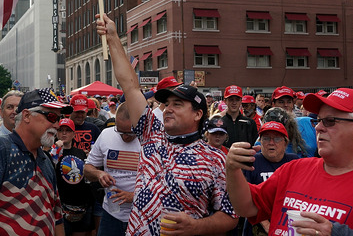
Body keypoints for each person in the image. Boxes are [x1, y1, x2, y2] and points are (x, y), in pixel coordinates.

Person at [96, 13, 238, 236]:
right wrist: (113, 37)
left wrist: (196, 227)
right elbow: (130, 86)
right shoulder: (151, 133)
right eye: (167, 103)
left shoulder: (217, 160)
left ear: (198, 114)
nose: (168, 108)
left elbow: (230, 216)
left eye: (178, 104)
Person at [226, 88, 353, 235]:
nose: (318, 127)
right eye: (318, 120)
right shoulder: (294, 169)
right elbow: (247, 207)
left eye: (330, 121)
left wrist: (338, 233)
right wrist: (232, 170)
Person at [0, 88, 68, 235]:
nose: (57, 125)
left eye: (59, 119)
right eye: (52, 117)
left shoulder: (45, 159)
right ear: (27, 116)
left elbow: (56, 215)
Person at [85, 102, 141, 236]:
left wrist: (135, 196)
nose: (125, 136)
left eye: (130, 132)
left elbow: (163, 182)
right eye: (120, 131)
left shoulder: (151, 139)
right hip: (111, 214)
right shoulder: (106, 135)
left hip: (141, 214)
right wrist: (99, 174)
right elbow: (87, 169)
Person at [242, 121, 299, 236]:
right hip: (257, 226)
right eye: (266, 138)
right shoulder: (251, 162)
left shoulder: (294, 162)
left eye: (277, 139)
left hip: (288, 224)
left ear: (285, 143)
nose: (271, 143)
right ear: (260, 142)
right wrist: (267, 225)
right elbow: (246, 198)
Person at [51, 118, 93, 236]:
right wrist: (56, 149)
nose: (64, 133)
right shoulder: (53, 151)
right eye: (61, 130)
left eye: (68, 131)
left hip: (81, 205)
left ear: (74, 134)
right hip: (61, 206)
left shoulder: (80, 152)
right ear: (57, 133)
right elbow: (50, 166)